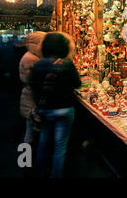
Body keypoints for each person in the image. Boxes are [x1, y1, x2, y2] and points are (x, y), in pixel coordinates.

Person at [30, 32, 81, 178]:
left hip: (46, 110)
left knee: (44, 143)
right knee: (60, 147)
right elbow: (77, 84)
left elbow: (33, 86)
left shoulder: (38, 65)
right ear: (63, 47)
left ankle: (41, 174)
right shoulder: (67, 64)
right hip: (65, 110)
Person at [19, 31, 46, 144]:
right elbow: (32, 80)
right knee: (30, 132)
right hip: (31, 99)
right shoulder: (31, 59)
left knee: (31, 130)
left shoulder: (33, 57)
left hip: (31, 98)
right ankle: (26, 159)